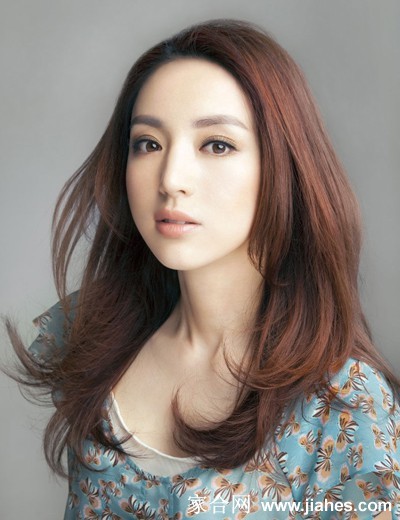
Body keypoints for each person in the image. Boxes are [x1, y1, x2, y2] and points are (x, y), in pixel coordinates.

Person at [6, 18, 400, 520]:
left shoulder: (343, 404)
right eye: (148, 143)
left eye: (217, 144)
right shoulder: (92, 336)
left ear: (284, 167)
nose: (171, 179)